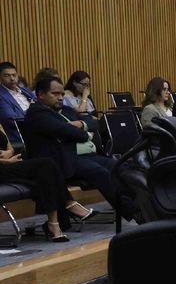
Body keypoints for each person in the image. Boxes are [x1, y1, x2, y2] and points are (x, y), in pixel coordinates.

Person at [21, 76, 120, 211]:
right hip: (67, 159)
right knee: (101, 173)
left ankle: (141, 206)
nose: (60, 98)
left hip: (88, 155)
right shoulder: (37, 112)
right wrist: (85, 134)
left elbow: (95, 123)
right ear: (41, 94)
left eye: (62, 94)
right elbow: (67, 132)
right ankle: (132, 211)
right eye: (55, 94)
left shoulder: (67, 110)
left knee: (120, 167)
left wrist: (81, 123)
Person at [0, 122, 95, 241]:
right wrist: (6, 161)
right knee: (45, 166)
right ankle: (67, 205)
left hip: (8, 164)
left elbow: (10, 147)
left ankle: (54, 223)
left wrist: (8, 153)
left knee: (47, 169)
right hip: (3, 166)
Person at [0, 62, 35, 131]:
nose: (12, 78)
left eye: (14, 75)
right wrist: (33, 110)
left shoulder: (25, 91)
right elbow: (12, 118)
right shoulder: (1, 96)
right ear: (0, 78)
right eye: (7, 76)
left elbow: (40, 105)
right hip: (20, 133)